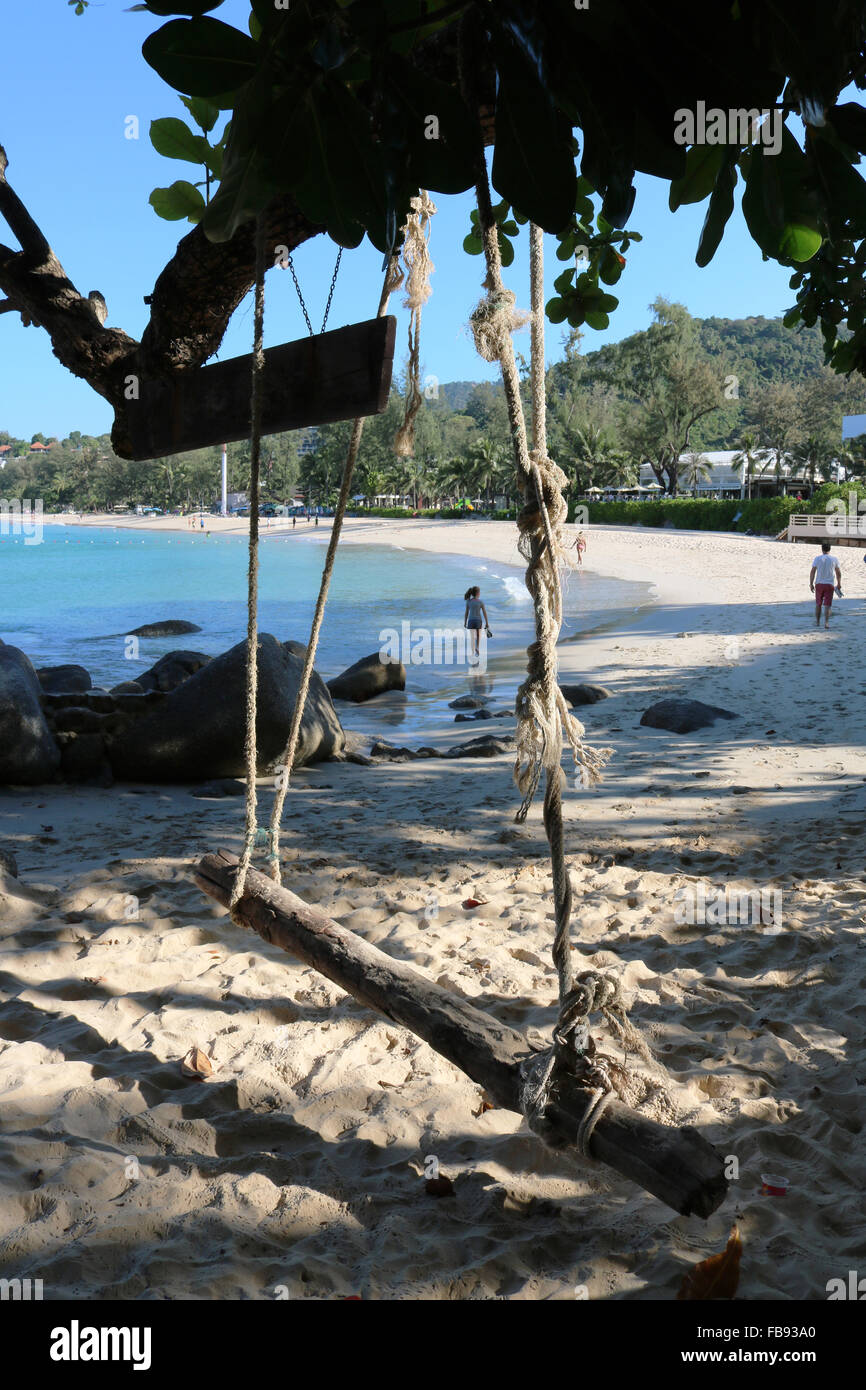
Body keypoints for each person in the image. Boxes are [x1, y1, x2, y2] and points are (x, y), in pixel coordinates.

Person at [810, 541, 842, 629]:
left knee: (818, 604)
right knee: (827, 605)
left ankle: (817, 622)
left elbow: (812, 571)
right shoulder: (834, 559)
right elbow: (838, 572)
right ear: (830, 549)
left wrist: (811, 583)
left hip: (819, 584)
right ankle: (826, 623)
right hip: (829, 584)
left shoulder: (817, 558)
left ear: (822, 549)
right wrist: (839, 583)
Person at [463, 585, 489, 661]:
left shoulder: (469, 602)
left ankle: (472, 652)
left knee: (472, 637)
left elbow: (466, 613)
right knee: (478, 635)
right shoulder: (480, 602)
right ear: (478, 593)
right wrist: (487, 623)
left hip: (471, 621)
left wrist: (465, 622)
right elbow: (484, 613)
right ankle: (477, 648)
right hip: (478, 621)